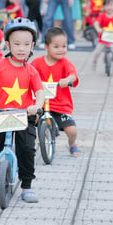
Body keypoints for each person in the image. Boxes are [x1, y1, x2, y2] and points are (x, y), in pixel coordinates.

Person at [0, 17, 45, 203]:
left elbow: (39, 92)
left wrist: (36, 106)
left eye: (26, 44)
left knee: (27, 149)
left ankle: (27, 186)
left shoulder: (31, 71)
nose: (22, 48)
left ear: (33, 46)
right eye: (17, 44)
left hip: (23, 114)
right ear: (7, 44)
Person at [31, 27, 81, 156]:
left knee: (72, 130)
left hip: (60, 106)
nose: (61, 50)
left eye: (64, 46)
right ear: (46, 47)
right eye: (56, 46)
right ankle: (29, 143)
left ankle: (72, 144)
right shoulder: (37, 63)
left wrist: (67, 79)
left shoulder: (65, 63)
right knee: (30, 120)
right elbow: (29, 73)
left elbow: (73, 75)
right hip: (41, 104)